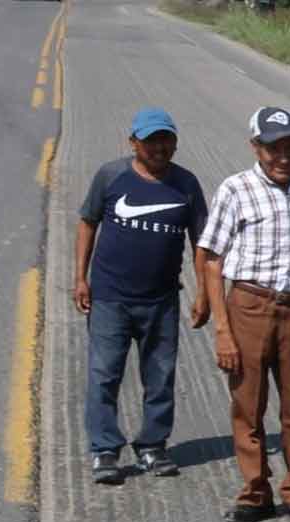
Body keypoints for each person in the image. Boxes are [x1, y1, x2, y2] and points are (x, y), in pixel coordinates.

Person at [199, 106, 290, 522]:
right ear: (256, 148)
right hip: (249, 308)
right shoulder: (235, 190)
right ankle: (254, 492)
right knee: (248, 406)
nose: (283, 156)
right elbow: (211, 261)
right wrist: (222, 329)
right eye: (274, 148)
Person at [74, 107, 209, 485]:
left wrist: (204, 293)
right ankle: (105, 450)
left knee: (160, 376)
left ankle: (152, 445)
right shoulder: (111, 176)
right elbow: (88, 223)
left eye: (165, 139)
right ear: (133, 142)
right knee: (104, 375)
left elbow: (201, 242)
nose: (159, 147)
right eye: (150, 141)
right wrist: (80, 278)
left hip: (161, 300)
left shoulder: (186, 184)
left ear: (175, 142)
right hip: (109, 298)